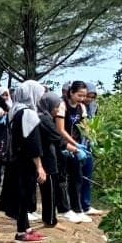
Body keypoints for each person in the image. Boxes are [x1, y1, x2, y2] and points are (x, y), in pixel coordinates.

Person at [0, 80, 48, 243]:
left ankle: (26, 227)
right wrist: (39, 166)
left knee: (22, 194)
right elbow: (33, 142)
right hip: (24, 162)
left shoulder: (15, 110)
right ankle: (21, 232)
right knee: (23, 196)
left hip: (16, 160)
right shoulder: (28, 113)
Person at [36, 92, 78, 228]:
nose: (56, 111)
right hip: (47, 159)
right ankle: (50, 220)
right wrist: (75, 149)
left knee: (48, 190)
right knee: (50, 191)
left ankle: (50, 219)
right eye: (55, 108)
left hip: (46, 156)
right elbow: (57, 138)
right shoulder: (44, 119)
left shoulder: (43, 117)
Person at [55, 81, 92, 223]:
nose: (82, 98)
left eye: (84, 95)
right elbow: (60, 129)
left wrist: (89, 139)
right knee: (62, 177)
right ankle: (64, 209)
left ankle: (77, 209)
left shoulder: (82, 107)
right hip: (63, 145)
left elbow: (85, 126)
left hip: (76, 147)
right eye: (79, 95)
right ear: (71, 92)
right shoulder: (62, 105)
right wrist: (75, 144)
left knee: (77, 176)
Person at [80, 82, 101, 216]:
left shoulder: (94, 107)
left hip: (89, 144)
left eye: (93, 97)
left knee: (87, 176)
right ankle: (74, 205)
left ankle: (86, 205)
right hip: (77, 144)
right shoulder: (77, 107)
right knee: (76, 177)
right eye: (88, 96)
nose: (90, 99)